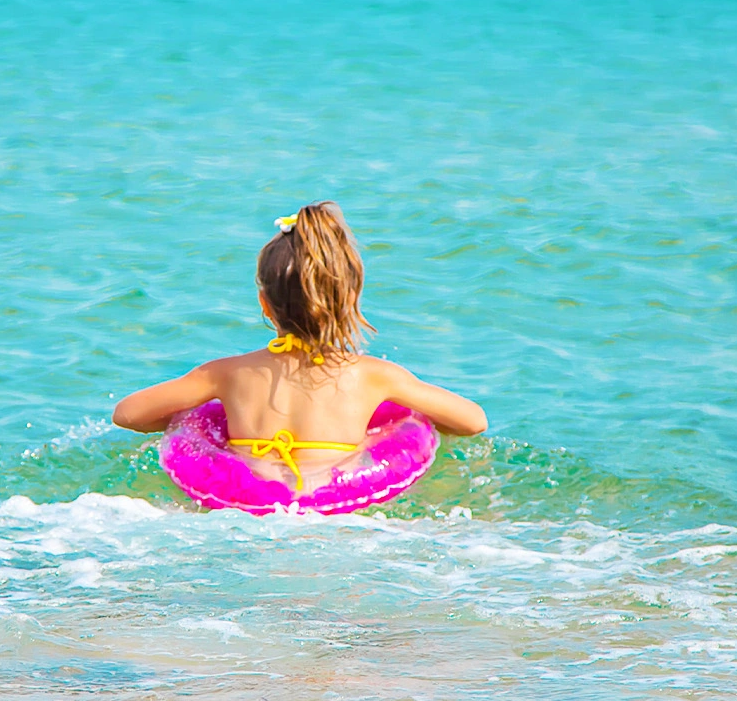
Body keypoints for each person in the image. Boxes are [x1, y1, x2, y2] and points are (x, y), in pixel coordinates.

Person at [112, 202, 486, 491]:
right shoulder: (376, 378)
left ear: (264, 303)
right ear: (349, 297)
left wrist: (196, 423)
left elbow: (128, 414)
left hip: (245, 505)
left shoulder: (226, 374)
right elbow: (473, 422)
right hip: (338, 505)